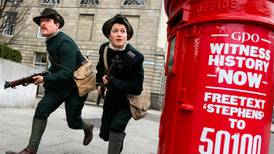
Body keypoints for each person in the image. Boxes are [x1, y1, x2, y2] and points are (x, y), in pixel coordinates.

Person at [5, 8, 94, 154]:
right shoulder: (51, 41)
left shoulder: (65, 43)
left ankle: (87, 127)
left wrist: (45, 78)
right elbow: (57, 65)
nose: (42, 24)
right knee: (41, 110)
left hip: (75, 88)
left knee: (73, 122)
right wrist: (37, 77)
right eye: (41, 21)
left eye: (47, 21)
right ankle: (30, 150)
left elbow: (66, 73)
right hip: (60, 86)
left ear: (57, 25)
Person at [96, 14, 144, 154]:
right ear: (108, 35)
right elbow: (100, 69)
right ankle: (118, 141)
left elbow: (137, 88)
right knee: (105, 133)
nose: (119, 35)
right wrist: (100, 84)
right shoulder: (104, 49)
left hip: (128, 100)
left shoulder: (136, 57)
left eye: (122, 31)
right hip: (111, 99)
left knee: (117, 127)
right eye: (115, 31)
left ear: (127, 35)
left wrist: (113, 82)